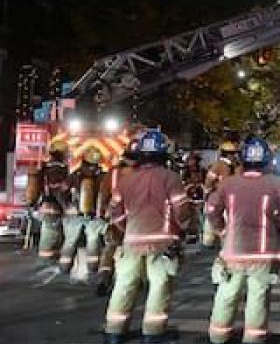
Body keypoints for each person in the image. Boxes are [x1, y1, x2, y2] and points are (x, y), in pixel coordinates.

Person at [206, 137, 280, 344]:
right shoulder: (276, 184)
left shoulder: (228, 184)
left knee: (226, 294)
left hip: (233, 250)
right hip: (264, 252)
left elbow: (211, 210)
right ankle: (254, 338)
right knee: (258, 297)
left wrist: (221, 231)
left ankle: (218, 335)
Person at [103, 129, 191, 344]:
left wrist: (128, 231)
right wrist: (183, 230)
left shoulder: (125, 181)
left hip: (131, 242)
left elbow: (115, 213)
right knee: (159, 287)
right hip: (162, 244)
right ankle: (153, 333)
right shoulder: (171, 178)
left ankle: (114, 331)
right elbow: (182, 211)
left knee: (124, 286)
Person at [95, 139, 139, 296]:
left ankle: (104, 277)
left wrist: (100, 213)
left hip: (115, 217)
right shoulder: (145, 174)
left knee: (110, 248)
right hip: (137, 219)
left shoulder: (113, 173)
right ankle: (131, 281)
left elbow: (104, 194)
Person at [59, 146, 105, 274]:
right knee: (93, 241)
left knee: (71, 241)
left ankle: (64, 268)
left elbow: (62, 193)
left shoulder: (74, 176)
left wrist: (66, 206)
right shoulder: (101, 177)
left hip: (75, 216)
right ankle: (93, 268)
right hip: (93, 217)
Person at [26, 138, 71, 265]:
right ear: (61, 153)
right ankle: (46, 263)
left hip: (46, 205)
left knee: (53, 234)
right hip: (53, 206)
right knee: (51, 235)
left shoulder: (47, 167)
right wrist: (65, 206)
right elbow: (58, 190)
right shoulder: (58, 169)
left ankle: (49, 261)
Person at [202, 140, 239, 247]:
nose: (233, 156)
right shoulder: (223, 166)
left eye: (233, 153)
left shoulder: (229, 166)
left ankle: (216, 241)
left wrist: (206, 194)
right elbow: (209, 182)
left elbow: (208, 182)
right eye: (231, 153)